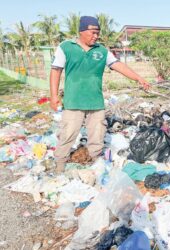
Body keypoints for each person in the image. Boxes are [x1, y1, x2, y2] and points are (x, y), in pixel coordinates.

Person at [50, 16, 150, 173]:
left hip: (95, 102)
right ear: (82, 31)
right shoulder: (66, 47)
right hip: (73, 101)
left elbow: (118, 65)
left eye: (98, 33)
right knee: (68, 134)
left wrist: (139, 78)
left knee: (97, 136)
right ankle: (60, 166)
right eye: (93, 32)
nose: (96, 36)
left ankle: (95, 165)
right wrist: (54, 96)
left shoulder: (102, 51)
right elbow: (55, 70)